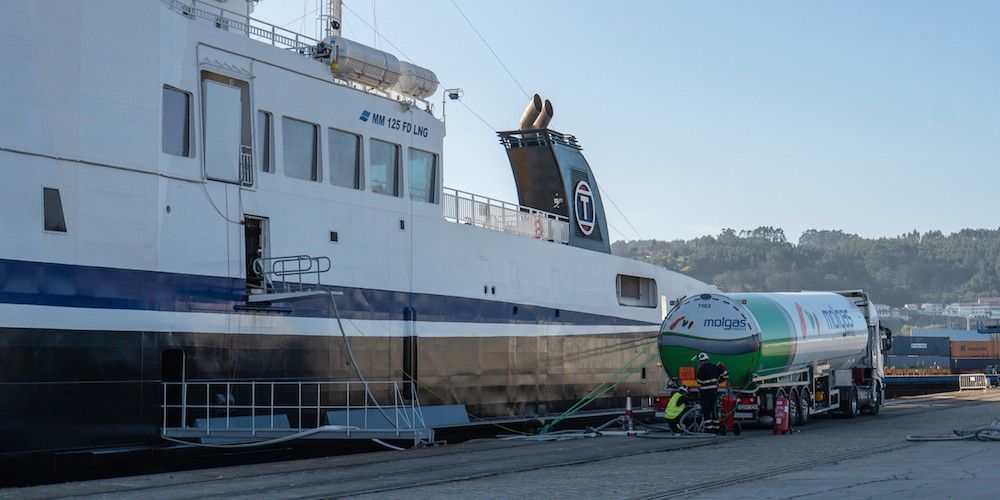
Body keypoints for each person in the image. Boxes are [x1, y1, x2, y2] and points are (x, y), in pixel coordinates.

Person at [695, 352, 720, 433]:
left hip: (705, 393)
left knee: (706, 411)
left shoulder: (701, 369)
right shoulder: (714, 367)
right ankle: (716, 428)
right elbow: (724, 375)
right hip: (714, 392)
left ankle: (709, 429)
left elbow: (699, 381)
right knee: (714, 410)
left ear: (701, 361)